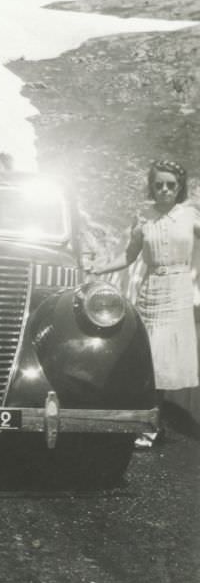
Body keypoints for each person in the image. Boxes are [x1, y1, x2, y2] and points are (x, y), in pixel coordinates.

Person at [93, 159, 200, 447]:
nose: (165, 190)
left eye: (171, 185)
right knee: (148, 360)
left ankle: (151, 426)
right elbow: (129, 256)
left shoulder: (190, 215)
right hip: (151, 291)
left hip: (177, 292)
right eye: (159, 184)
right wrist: (99, 268)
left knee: (164, 361)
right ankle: (149, 422)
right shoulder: (143, 218)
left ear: (179, 188)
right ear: (152, 187)